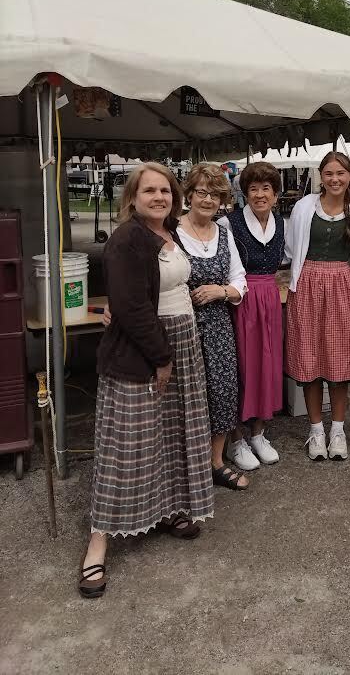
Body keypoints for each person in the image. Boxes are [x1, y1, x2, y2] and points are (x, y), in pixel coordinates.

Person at [79, 163, 214, 599]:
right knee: (127, 442)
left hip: (181, 337)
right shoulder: (126, 240)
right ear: (132, 198)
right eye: (149, 191)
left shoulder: (171, 232)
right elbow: (132, 307)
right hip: (145, 347)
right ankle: (97, 543)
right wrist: (160, 357)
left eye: (165, 191)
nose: (159, 197)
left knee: (173, 433)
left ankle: (170, 508)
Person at [284, 151, 350, 461]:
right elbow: (289, 248)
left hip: (342, 287)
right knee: (309, 361)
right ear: (320, 176)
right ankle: (315, 431)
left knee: (339, 364)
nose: (335, 178)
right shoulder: (303, 207)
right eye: (329, 173)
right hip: (308, 286)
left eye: (340, 173)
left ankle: (337, 430)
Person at [177, 164, 250, 488]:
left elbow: (239, 280)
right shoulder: (171, 231)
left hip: (219, 326)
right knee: (186, 397)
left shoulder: (224, 233)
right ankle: (186, 467)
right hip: (182, 326)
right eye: (202, 192)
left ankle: (216, 463)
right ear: (189, 195)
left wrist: (220, 290)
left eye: (215, 194)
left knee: (222, 393)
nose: (208, 199)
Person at [221, 162, 286, 469]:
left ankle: (259, 432)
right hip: (240, 300)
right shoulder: (228, 223)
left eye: (266, 188)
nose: (260, 195)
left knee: (268, 365)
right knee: (240, 367)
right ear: (245, 193)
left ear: (275, 193)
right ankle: (236, 440)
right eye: (253, 189)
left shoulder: (281, 223)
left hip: (270, 298)